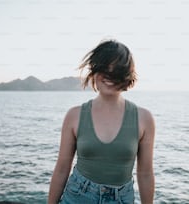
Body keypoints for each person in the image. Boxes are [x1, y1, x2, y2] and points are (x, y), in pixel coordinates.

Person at [48, 39, 155, 204]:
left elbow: (146, 173)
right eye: (104, 68)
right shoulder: (74, 115)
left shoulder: (144, 119)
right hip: (77, 196)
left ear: (127, 76)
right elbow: (62, 168)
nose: (109, 75)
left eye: (117, 70)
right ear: (94, 70)